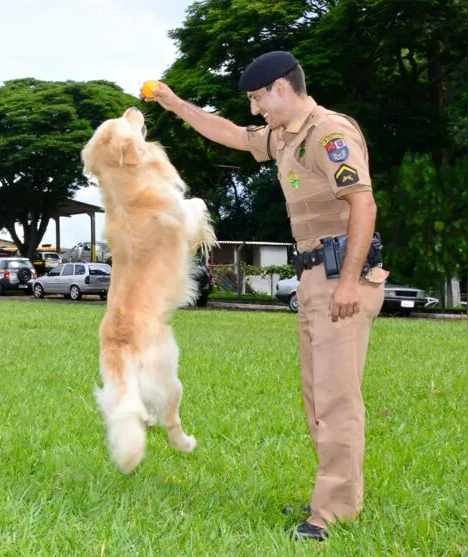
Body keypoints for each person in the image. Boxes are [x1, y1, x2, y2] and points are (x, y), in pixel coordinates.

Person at [146, 51, 388, 541]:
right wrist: (173, 104)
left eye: (258, 98)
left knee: (337, 398)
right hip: (313, 275)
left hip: (342, 274)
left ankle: (333, 512)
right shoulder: (285, 136)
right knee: (317, 394)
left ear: (281, 88)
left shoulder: (328, 133)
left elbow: (363, 203)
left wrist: (347, 282)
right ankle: (333, 496)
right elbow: (230, 134)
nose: (255, 110)